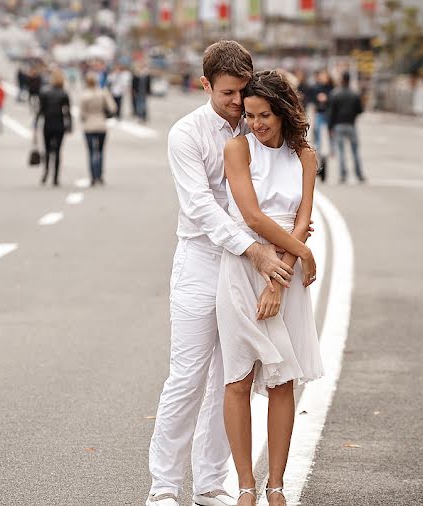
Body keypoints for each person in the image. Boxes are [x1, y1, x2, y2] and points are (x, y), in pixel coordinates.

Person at [147, 40, 298, 506]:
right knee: (188, 375)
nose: (237, 103)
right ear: (206, 84)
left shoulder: (260, 128)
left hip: (247, 266)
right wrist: (254, 250)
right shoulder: (186, 134)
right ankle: (165, 487)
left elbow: (285, 191)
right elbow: (200, 207)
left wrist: (289, 250)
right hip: (200, 260)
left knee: (230, 378)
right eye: (228, 93)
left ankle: (210, 483)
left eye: (243, 92)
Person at [219, 70, 323, 506]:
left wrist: (287, 266)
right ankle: (245, 485)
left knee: (284, 383)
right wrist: (302, 252)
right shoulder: (237, 149)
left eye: (264, 115)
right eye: (249, 114)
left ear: (283, 112)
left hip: (285, 268)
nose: (256, 123)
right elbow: (254, 218)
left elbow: (302, 216)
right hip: (245, 266)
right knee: (238, 377)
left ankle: (275, 485)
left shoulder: (304, 156)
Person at [327, 72, 366, 183]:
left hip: (338, 125)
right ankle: (359, 174)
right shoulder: (355, 94)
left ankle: (343, 175)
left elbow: (331, 112)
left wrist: (330, 127)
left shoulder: (335, 94)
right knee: (355, 151)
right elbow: (360, 110)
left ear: (341, 80)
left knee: (341, 151)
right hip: (351, 125)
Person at [79, 72, 117, 186]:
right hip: (101, 124)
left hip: (89, 126)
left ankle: (93, 177)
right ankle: (100, 175)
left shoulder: (84, 95)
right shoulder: (103, 93)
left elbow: (82, 114)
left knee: (91, 152)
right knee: (100, 151)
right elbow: (113, 107)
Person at [35, 70, 71, 187]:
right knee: (58, 151)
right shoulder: (64, 93)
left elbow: (40, 110)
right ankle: (55, 177)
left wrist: (35, 124)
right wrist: (69, 125)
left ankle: (46, 171)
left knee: (47, 150)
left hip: (48, 123)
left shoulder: (45, 92)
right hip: (59, 124)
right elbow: (67, 112)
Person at [310, 70, 333, 180]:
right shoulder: (316, 88)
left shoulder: (331, 88)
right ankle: (319, 152)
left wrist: (327, 98)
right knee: (318, 139)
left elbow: (334, 101)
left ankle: (330, 150)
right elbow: (313, 101)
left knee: (327, 139)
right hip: (319, 114)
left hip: (328, 114)